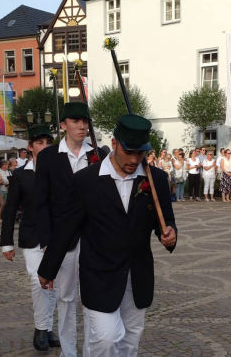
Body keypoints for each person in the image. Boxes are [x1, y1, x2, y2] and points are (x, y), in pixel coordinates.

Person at [38, 114, 177, 356]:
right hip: (98, 276)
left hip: (138, 276)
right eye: (129, 152)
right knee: (105, 338)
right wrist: (48, 269)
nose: (134, 160)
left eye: (140, 153)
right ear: (114, 144)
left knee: (130, 341)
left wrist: (170, 234)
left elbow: (165, 220)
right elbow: (66, 227)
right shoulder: (85, 181)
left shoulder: (156, 180)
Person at [33, 102, 106, 357]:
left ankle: (91, 352)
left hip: (93, 239)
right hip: (63, 240)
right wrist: (47, 243)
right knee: (65, 299)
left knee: (93, 299)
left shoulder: (99, 155)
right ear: (63, 125)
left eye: (85, 121)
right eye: (76, 121)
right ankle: (68, 352)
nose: (82, 126)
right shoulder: (48, 157)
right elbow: (41, 203)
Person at [0, 125, 60, 351]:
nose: (44, 147)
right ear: (30, 147)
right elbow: (10, 209)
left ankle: (48, 327)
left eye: (48, 143)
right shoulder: (20, 174)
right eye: (39, 143)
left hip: (56, 236)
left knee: (54, 284)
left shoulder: (60, 170)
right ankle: (41, 328)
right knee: (38, 281)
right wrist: (6, 243)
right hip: (32, 235)